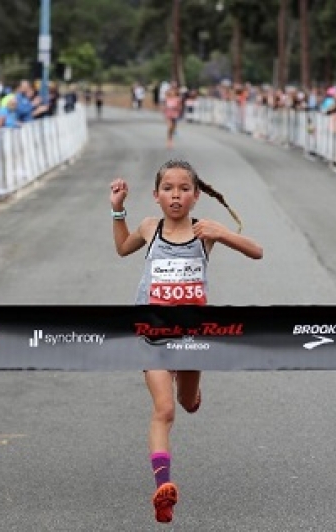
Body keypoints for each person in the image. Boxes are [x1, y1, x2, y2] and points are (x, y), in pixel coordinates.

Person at [109, 160, 263, 524]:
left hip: (194, 335)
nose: (175, 195)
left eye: (183, 189)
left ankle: (192, 392)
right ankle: (163, 488)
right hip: (153, 333)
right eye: (168, 189)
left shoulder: (205, 231)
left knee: (187, 401)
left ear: (195, 196)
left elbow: (257, 251)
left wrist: (224, 234)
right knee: (164, 410)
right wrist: (118, 211)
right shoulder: (149, 228)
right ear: (157, 195)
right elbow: (121, 249)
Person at [162, 85, 183, 149]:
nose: (172, 93)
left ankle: (171, 135)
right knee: (170, 126)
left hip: (175, 114)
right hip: (168, 114)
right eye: (171, 91)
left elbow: (180, 107)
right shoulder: (167, 98)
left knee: (173, 127)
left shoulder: (178, 99)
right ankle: (169, 141)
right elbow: (164, 106)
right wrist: (164, 110)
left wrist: (177, 108)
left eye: (173, 91)